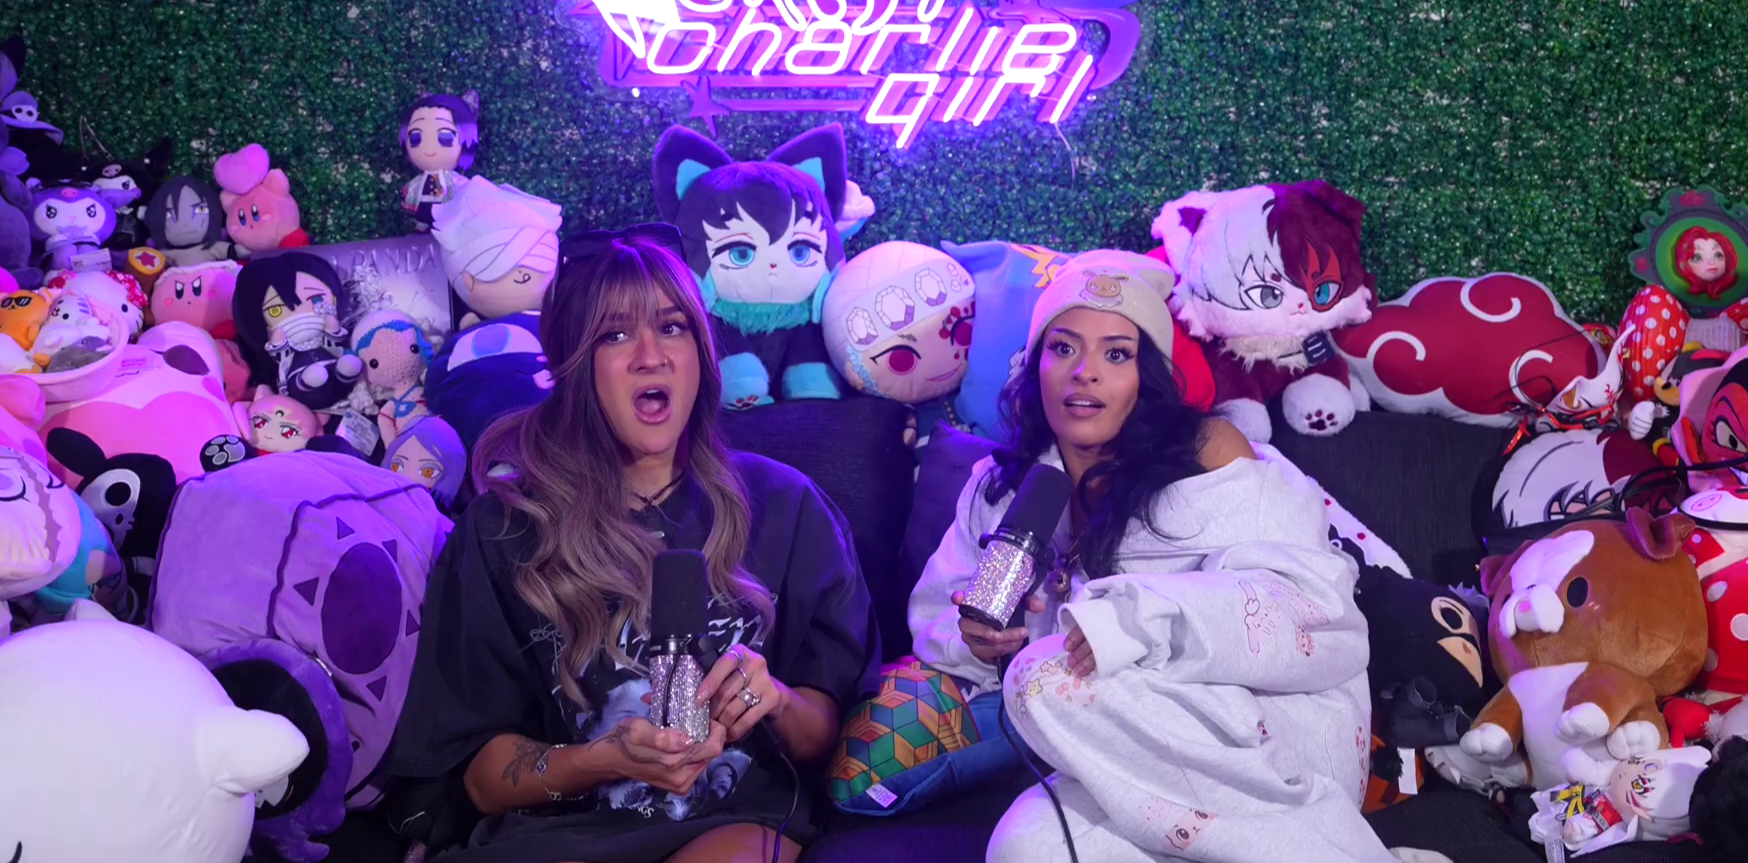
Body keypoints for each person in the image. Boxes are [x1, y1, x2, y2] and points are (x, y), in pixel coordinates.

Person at [387, 224, 881, 863]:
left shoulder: (786, 506)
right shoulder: (503, 529)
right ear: (576, 367)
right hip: (558, 839)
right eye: (615, 335)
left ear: (701, 352)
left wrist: (775, 700)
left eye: (672, 327)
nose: (651, 356)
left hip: (729, 828)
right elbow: (480, 781)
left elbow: (827, 738)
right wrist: (602, 759)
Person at [908, 250, 1397, 863]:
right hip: (1116, 752)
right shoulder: (1000, 489)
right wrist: (977, 642)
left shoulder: (1207, 451)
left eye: (1116, 354)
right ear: (1035, 365)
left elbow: (1311, 614)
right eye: (1063, 348)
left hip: (1263, 742)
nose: (1084, 372)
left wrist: (1134, 619)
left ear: (1149, 376)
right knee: (1025, 849)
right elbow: (934, 618)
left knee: (1044, 677)